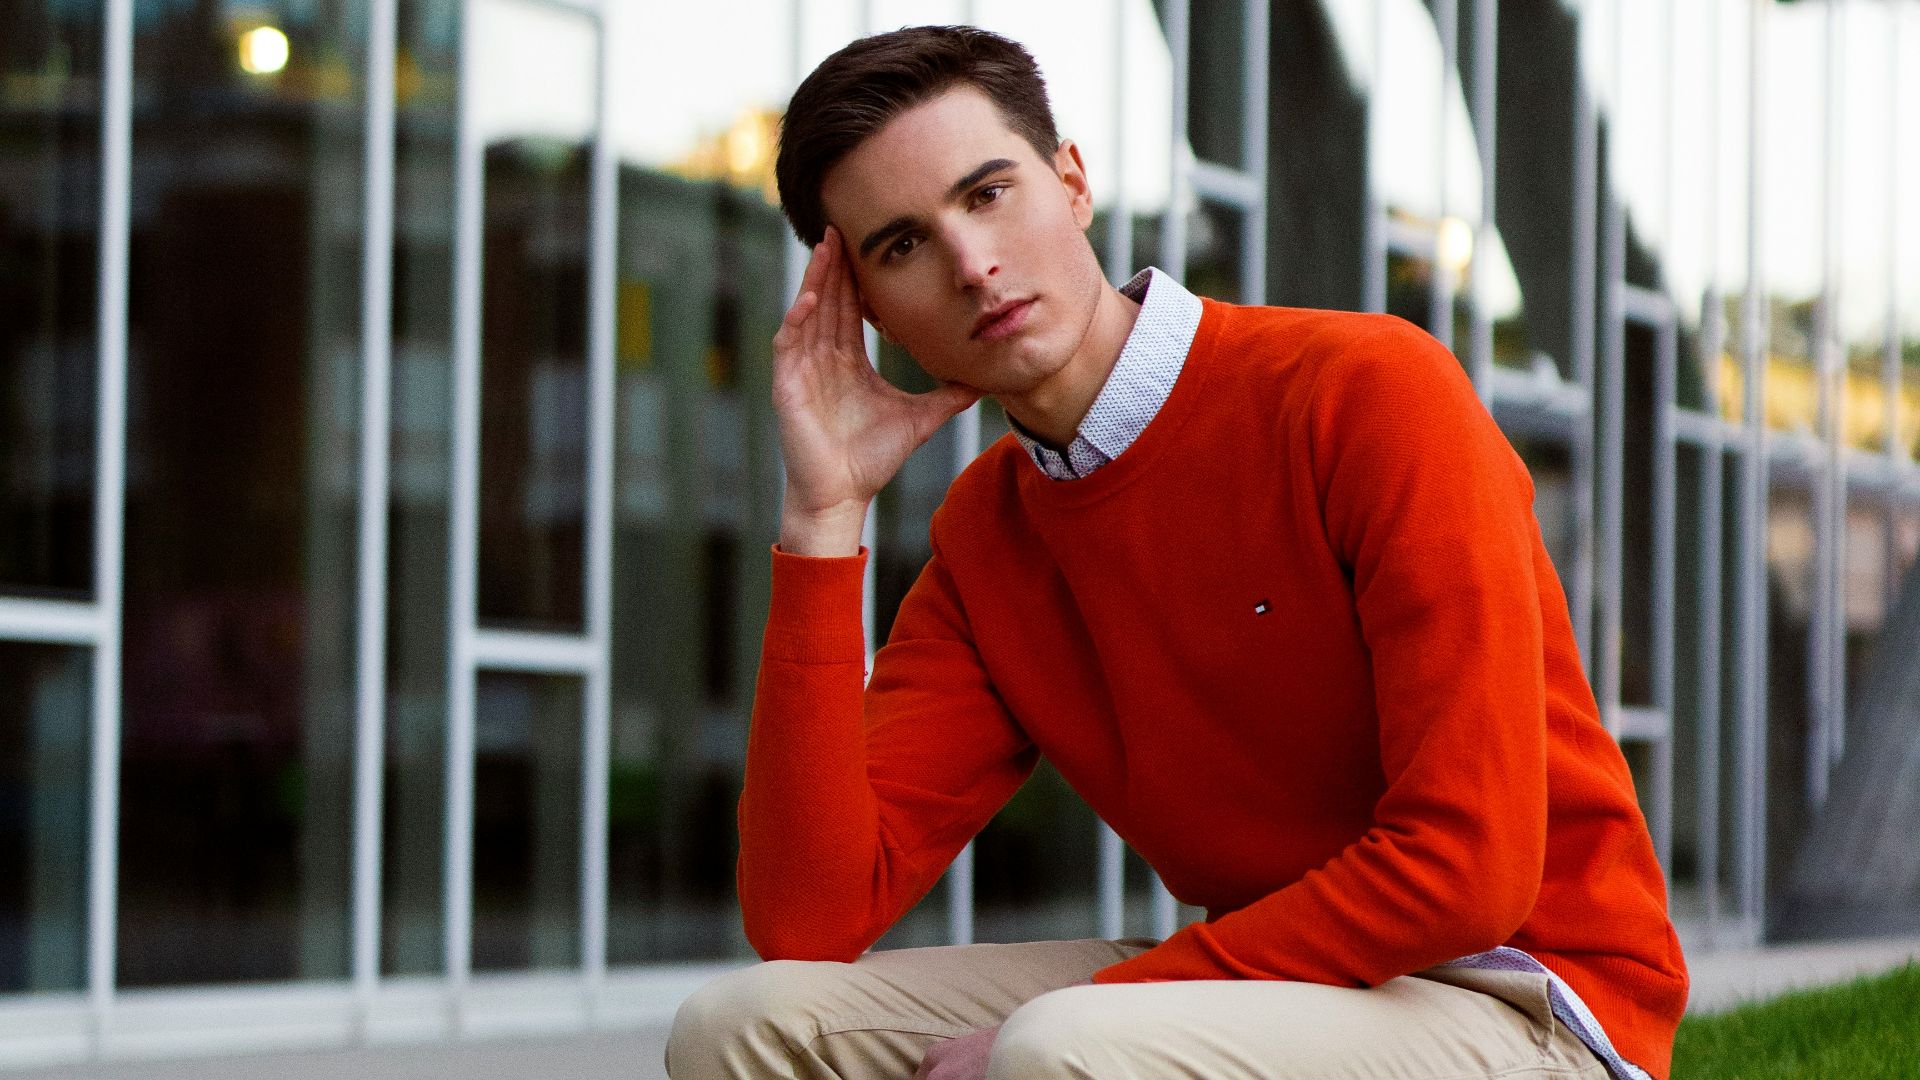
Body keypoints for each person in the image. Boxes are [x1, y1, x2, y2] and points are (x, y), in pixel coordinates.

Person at [665, 23, 1688, 1080]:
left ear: (1072, 183)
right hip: (1286, 987)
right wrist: (824, 517)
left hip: (1529, 999)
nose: (973, 265)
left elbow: (1469, 869)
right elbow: (807, 914)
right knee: (741, 1026)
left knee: (1059, 1050)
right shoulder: (988, 540)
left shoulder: (1368, 394)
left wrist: (1106, 1006)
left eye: (988, 193)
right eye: (903, 245)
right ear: (869, 308)